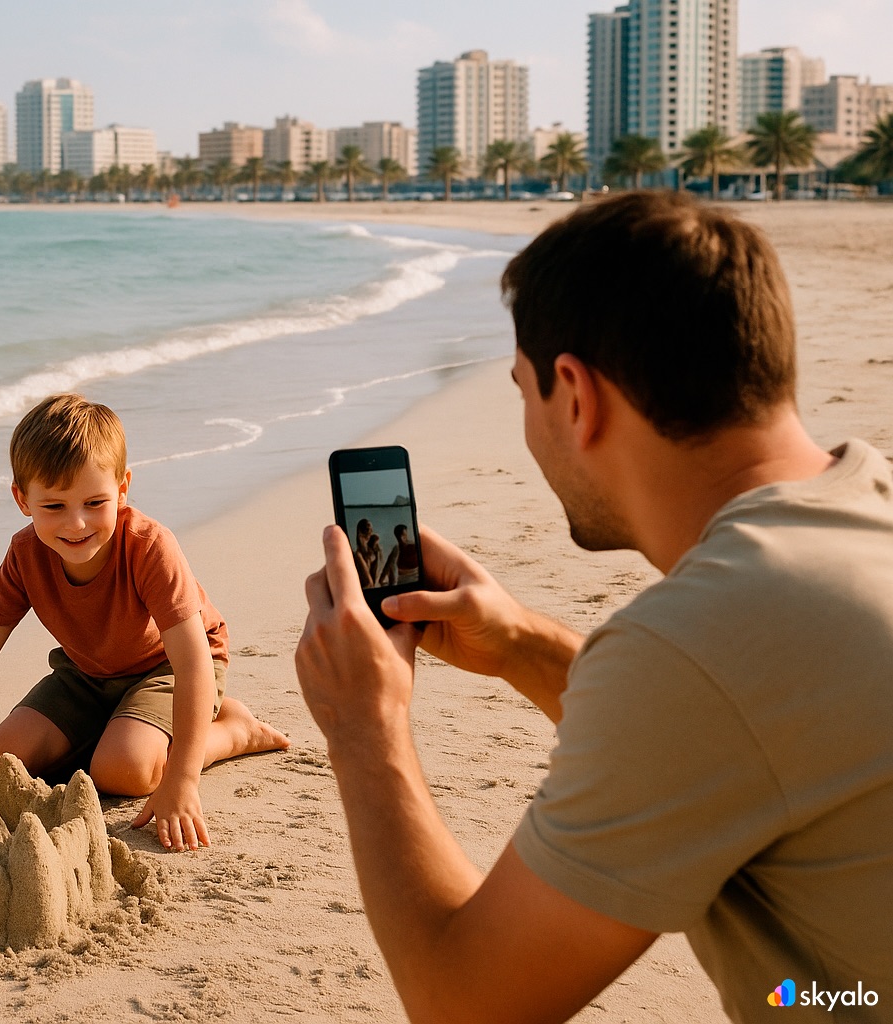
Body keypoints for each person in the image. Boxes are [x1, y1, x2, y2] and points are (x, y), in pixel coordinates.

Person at [296, 191, 893, 1022]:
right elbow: (741, 723)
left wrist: (364, 726)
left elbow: (464, 1001)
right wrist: (519, 646)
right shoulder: (866, 509)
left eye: (522, 391)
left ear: (575, 395)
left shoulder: (701, 642)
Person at [0, 393, 288, 852]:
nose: (77, 523)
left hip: (169, 668)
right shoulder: (25, 554)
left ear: (123, 487)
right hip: (88, 674)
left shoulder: (149, 547)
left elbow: (192, 663)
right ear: (22, 499)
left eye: (95, 502)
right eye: (54, 507)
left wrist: (182, 779)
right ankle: (124, 726)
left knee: (123, 772)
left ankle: (232, 731)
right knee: (6, 756)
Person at [352, 518, 383, 588]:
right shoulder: (358, 554)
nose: (370, 532)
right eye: (367, 529)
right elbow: (368, 582)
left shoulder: (373, 549)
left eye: (371, 530)